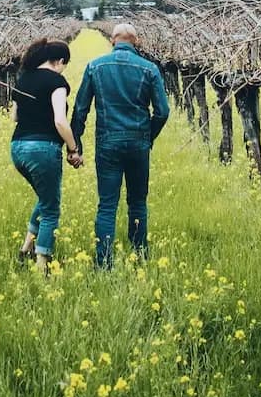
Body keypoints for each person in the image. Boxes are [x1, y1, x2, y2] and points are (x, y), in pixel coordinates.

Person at [69, 22, 170, 268]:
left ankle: (103, 261)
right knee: (137, 201)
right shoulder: (150, 69)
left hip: (108, 142)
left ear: (112, 40)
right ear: (136, 42)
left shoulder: (95, 66)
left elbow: (80, 108)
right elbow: (163, 111)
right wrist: (148, 136)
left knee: (107, 204)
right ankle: (139, 256)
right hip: (138, 143)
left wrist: (76, 144)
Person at [11, 37, 82, 273]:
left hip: (18, 147)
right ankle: (43, 266)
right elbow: (60, 121)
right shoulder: (56, 81)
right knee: (51, 209)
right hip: (43, 149)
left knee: (44, 199)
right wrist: (73, 149)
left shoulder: (23, 79)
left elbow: (15, 117)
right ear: (60, 61)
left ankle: (25, 249)